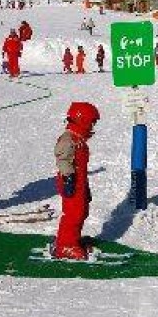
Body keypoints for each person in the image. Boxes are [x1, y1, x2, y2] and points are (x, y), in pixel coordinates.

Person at [54, 102, 100, 260]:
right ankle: (64, 245)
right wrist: (69, 177)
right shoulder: (69, 139)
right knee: (73, 214)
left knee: (82, 212)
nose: (92, 127)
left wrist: (85, 187)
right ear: (83, 121)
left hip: (80, 181)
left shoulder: (78, 139)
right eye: (91, 123)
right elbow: (62, 158)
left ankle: (74, 239)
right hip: (71, 181)